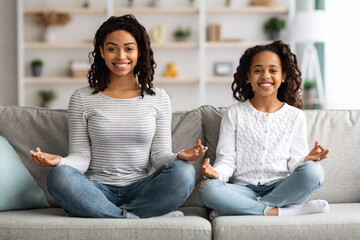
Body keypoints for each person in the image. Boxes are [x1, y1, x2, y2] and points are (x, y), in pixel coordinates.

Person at [30, 14, 207, 219]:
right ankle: (133, 218)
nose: (121, 56)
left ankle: (105, 216)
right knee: (59, 176)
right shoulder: (82, 98)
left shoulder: (159, 98)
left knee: (183, 172)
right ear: (102, 52)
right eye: (112, 48)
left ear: (139, 52)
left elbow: (159, 157)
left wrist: (179, 156)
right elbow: (81, 158)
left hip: (141, 190)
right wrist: (59, 161)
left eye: (129, 48)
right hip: (96, 191)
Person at [198, 40, 330, 219]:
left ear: (283, 76)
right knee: (207, 188)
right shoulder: (234, 113)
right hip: (243, 190)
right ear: (248, 76)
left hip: (281, 188)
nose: (265, 76)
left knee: (314, 171)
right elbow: (227, 160)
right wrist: (217, 173)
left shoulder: (295, 116)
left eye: (273, 70)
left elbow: (294, 164)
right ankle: (281, 212)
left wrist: (306, 159)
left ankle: (240, 209)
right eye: (258, 70)